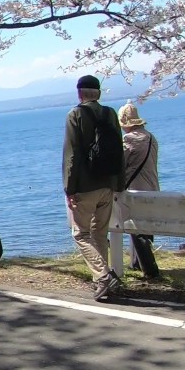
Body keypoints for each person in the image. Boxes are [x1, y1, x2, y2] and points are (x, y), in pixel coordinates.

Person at [63, 74, 125, 301]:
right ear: (98, 93)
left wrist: (69, 189)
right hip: (108, 184)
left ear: (80, 93)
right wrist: (119, 184)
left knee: (80, 234)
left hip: (85, 186)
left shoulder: (75, 114)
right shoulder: (110, 114)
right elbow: (120, 152)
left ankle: (103, 276)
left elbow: (71, 156)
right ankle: (103, 280)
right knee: (99, 233)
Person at [120, 101, 161, 280]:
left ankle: (148, 268)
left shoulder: (129, 140)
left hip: (136, 190)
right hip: (153, 188)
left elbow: (121, 164)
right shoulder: (151, 137)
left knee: (136, 227)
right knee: (144, 226)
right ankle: (136, 262)